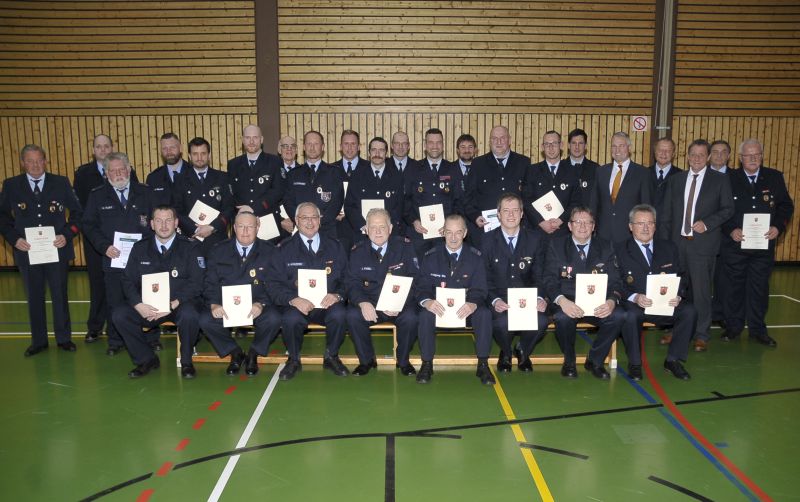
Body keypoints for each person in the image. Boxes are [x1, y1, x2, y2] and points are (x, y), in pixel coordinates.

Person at [0, 144, 82, 356]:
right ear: (22, 163)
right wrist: (14, 239)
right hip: (27, 251)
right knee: (34, 296)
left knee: (59, 295)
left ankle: (64, 339)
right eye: (30, 161)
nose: (35, 165)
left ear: (45, 161)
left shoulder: (61, 182)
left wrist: (67, 234)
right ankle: (39, 341)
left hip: (57, 250)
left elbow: (77, 214)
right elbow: (2, 217)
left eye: (39, 160)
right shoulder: (11, 185)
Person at [658, 139, 734, 352]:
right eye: (693, 154)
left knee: (700, 293)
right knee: (675, 292)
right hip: (676, 245)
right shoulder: (676, 180)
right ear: (687, 156)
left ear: (708, 157)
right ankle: (677, 329)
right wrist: (665, 245)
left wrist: (708, 224)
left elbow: (728, 209)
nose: (697, 158)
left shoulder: (719, 180)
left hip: (702, 247)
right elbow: (666, 215)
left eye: (702, 155)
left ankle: (701, 334)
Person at [114, 205, 204, 378]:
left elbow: (197, 282)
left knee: (190, 314)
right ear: (152, 224)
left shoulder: (190, 247)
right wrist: (138, 304)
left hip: (179, 304)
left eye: (168, 220)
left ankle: (186, 362)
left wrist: (175, 302)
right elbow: (127, 279)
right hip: (149, 306)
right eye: (159, 221)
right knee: (120, 315)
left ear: (176, 223)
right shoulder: (140, 248)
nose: (164, 225)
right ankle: (146, 359)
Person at [720, 139, 794, 347]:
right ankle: (733, 327)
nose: (753, 159)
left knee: (759, 289)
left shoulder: (774, 177)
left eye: (757, 155)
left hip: (763, 247)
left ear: (762, 156)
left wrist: (778, 227)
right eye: (748, 155)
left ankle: (758, 330)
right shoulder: (728, 178)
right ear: (740, 158)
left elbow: (786, 206)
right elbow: (720, 209)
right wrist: (730, 229)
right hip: (735, 246)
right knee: (734, 289)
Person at [82, 152, 156, 356]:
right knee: (114, 301)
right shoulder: (97, 195)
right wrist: (104, 246)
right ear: (106, 174)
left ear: (129, 169)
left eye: (121, 169)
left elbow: (157, 221)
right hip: (113, 258)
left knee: (146, 299)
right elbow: (88, 225)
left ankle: (150, 337)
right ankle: (115, 340)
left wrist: (150, 245)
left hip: (144, 260)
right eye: (113, 171)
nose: (118, 174)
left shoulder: (146, 193)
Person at [268, 202, 349, 380]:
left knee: (340, 314)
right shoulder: (283, 249)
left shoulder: (335, 246)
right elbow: (273, 285)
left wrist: (337, 295)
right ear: (296, 220)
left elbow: (347, 279)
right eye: (305, 218)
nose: (310, 222)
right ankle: (294, 360)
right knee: (290, 318)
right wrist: (293, 299)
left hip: (327, 304)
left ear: (320, 220)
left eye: (314, 217)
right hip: (297, 305)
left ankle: (331, 356)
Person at [543, 206, 624, 379]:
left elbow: (616, 281)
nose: (582, 226)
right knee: (562, 318)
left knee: (618, 316)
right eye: (577, 222)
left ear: (594, 226)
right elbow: (548, 279)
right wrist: (562, 301)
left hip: (597, 302)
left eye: (587, 222)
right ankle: (569, 361)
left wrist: (611, 301)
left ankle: (595, 360)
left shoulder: (606, 246)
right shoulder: (556, 246)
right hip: (568, 300)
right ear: (570, 226)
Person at [616, 204, 696, 380]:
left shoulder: (669, 247)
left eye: (650, 223)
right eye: (640, 223)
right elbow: (616, 282)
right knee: (630, 316)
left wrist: (679, 294)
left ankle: (673, 360)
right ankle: (635, 364)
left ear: (655, 226)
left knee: (689, 311)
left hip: (665, 303)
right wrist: (635, 297)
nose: (645, 227)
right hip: (636, 304)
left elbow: (682, 275)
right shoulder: (619, 250)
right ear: (630, 226)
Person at [198, 211, 283, 376]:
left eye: (250, 226)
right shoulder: (218, 250)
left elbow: (276, 283)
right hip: (226, 305)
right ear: (234, 228)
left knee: (274, 318)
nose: (245, 231)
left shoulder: (270, 251)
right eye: (241, 226)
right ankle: (234, 352)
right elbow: (210, 282)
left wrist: (262, 303)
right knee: (205, 319)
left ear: (258, 227)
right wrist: (214, 303)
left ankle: (254, 353)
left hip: (257, 305)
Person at [73, 134, 138, 343]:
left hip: (134, 250)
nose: (102, 150)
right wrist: (103, 245)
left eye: (106, 146)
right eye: (98, 147)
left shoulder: (137, 184)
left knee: (137, 291)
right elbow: (85, 217)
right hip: (104, 247)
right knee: (106, 291)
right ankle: (105, 333)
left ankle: (144, 333)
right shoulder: (85, 177)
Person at [415, 214, 494, 385]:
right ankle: (427, 364)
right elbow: (421, 287)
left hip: (466, 308)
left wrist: (473, 303)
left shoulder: (476, 257)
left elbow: (481, 288)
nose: (453, 237)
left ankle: (483, 364)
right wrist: (427, 301)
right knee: (424, 315)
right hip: (439, 308)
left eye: (458, 232)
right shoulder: (430, 256)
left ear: (465, 233)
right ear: (443, 232)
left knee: (484, 314)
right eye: (449, 232)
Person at [345, 208, 420, 375]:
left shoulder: (405, 247)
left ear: (390, 228)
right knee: (352, 315)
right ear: (366, 229)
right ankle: (366, 361)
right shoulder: (357, 251)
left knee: (412, 317)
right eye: (373, 227)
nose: (378, 231)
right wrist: (362, 302)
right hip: (371, 302)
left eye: (382, 227)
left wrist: (398, 303)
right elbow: (351, 282)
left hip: (400, 303)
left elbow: (416, 280)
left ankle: (403, 361)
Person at [481, 193, 549, 372]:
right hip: (500, 298)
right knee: (501, 323)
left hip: (527, 299)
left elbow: (540, 274)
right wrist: (495, 300)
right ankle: (506, 351)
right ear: (498, 214)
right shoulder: (487, 241)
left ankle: (523, 349)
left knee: (542, 321)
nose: (510, 215)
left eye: (515, 210)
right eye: (506, 211)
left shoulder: (535, 239)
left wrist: (540, 297)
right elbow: (484, 278)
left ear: (522, 214)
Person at [464, 125, 530, 247]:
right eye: (494, 138)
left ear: (509, 140)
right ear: (490, 141)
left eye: (502, 138)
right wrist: (475, 216)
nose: (498, 142)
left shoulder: (523, 162)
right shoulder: (478, 164)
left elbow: (529, 197)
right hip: (486, 231)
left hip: (516, 230)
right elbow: (468, 197)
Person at [403, 128, 464, 254]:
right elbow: (405, 200)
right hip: (419, 234)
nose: (435, 146)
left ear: (443, 145)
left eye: (438, 142)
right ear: (425, 145)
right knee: (417, 271)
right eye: (431, 142)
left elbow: (459, 201)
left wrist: (451, 224)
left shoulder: (453, 169)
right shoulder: (413, 169)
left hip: (445, 235)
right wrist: (413, 220)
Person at [173, 137, 234, 256]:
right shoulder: (180, 180)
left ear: (209, 155)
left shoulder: (222, 178)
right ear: (189, 156)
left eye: (203, 153)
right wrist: (196, 230)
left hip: (217, 239)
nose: (199, 158)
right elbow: (177, 210)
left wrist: (212, 227)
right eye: (195, 154)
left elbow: (229, 208)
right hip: (191, 240)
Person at [282, 131, 345, 240]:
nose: (312, 147)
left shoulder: (334, 173)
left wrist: (318, 222)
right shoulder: (293, 174)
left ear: (323, 147)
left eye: (316, 144)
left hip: (327, 231)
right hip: (301, 230)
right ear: (304, 147)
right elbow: (288, 201)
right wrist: (301, 221)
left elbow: (337, 202)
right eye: (309, 144)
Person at [227, 125, 285, 241]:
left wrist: (253, 208)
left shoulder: (274, 162)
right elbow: (230, 193)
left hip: (268, 223)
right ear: (243, 140)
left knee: (269, 258)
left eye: (255, 137)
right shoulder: (233, 164)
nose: (252, 141)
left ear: (262, 139)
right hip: (242, 225)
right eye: (248, 138)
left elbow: (278, 191)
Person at [592, 132, 652, 243]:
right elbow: (594, 202)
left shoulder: (642, 173)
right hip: (603, 235)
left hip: (629, 236)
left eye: (621, 146)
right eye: (614, 146)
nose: (617, 150)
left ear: (629, 148)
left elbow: (646, 207)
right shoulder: (601, 171)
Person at [344, 137, 405, 241]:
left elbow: (400, 207)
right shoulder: (357, 176)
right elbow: (350, 206)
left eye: (381, 150)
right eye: (373, 150)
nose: (377, 153)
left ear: (386, 153)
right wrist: (364, 226)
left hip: (389, 235)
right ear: (369, 153)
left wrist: (388, 227)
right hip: (363, 234)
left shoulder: (396, 177)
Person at [523, 130, 581, 238]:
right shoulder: (532, 171)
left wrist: (560, 220)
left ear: (561, 145)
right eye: (547, 144)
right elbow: (526, 200)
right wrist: (541, 222)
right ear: (542, 147)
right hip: (537, 232)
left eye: (554, 143)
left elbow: (576, 202)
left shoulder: (572, 172)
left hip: (563, 232)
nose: (551, 147)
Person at [146, 132, 189, 207]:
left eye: (172, 147)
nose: (169, 152)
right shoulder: (153, 178)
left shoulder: (194, 172)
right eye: (164, 148)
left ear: (181, 148)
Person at [566, 128, 600, 207]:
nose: (577, 147)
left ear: (586, 146)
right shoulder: (560, 167)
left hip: (588, 216)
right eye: (574, 143)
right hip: (565, 218)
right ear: (568, 145)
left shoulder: (596, 169)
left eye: (580, 143)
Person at [650, 138, 682, 216]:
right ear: (655, 152)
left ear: (673, 154)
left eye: (668, 151)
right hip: (647, 224)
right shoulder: (644, 174)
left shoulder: (681, 176)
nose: (663, 154)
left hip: (670, 225)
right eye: (660, 150)